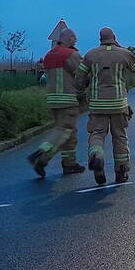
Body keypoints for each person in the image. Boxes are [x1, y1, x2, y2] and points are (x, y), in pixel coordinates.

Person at [76, 27, 135, 185]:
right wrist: (121, 47)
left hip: (98, 103)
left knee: (97, 134)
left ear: (100, 39)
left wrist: (82, 89)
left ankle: (97, 156)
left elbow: (79, 77)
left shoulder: (91, 54)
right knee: (120, 136)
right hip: (119, 103)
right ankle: (121, 171)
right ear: (114, 37)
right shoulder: (123, 53)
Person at [26, 27, 85, 178]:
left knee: (69, 132)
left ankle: (69, 164)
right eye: (75, 40)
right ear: (70, 38)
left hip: (53, 99)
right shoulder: (71, 54)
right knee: (64, 129)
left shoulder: (49, 55)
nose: (75, 42)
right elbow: (83, 74)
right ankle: (42, 155)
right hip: (68, 99)